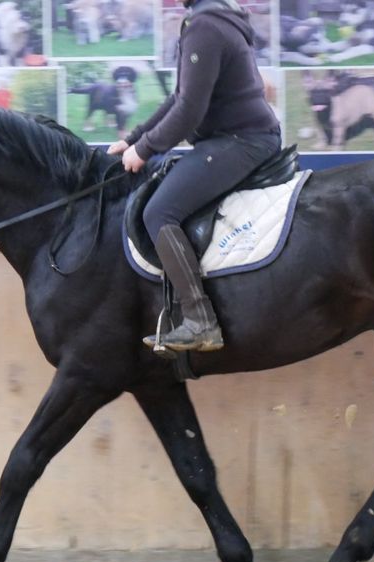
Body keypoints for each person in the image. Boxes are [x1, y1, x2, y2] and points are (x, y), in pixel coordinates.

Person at [108, 0, 280, 352]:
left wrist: (144, 150)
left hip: (241, 140)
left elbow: (189, 110)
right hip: (239, 137)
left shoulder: (204, 27)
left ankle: (200, 321)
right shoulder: (213, 20)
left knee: (158, 212)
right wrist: (134, 137)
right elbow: (181, 97)